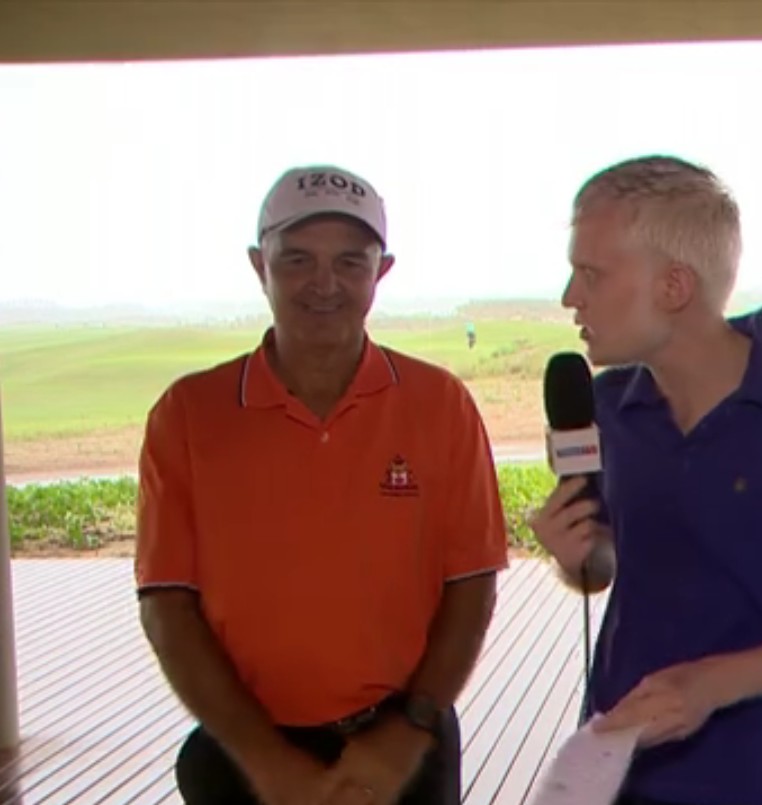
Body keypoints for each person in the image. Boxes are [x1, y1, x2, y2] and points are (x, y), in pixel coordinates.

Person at [135, 164, 509, 805]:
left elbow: (471, 583)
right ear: (259, 265)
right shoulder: (189, 414)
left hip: (403, 747)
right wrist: (269, 764)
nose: (324, 284)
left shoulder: (439, 403)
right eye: (298, 259)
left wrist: (409, 730)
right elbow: (167, 604)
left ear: (381, 271)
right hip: (244, 755)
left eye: (350, 263)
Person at [528, 155, 762, 805]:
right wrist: (575, 556)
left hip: (750, 771)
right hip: (615, 755)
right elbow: (602, 568)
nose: (569, 297)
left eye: (591, 274)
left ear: (674, 286)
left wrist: (709, 686)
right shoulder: (604, 407)